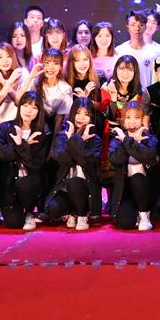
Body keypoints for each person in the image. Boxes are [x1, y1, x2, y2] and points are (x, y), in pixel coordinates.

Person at [0, 91, 52, 230]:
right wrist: (23, 145)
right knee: (13, 223)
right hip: (9, 185)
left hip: (31, 184)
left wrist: (20, 146)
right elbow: (1, 154)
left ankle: (30, 212)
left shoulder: (41, 133)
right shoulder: (4, 128)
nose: (28, 110)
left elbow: (36, 164)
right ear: (19, 107)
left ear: (39, 111)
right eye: (25, 105)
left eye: (34, 107)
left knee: (26, 182)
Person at [47, 94, 103, 231]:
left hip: (85, 188)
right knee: (52, 209)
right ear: (72, 113)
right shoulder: (61, 136)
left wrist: (76, 140)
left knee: (75, 182)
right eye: (78, 113)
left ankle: (82, 215)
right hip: (64, 188)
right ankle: (73, 211)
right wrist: (77, 141)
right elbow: (62, 158)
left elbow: (85, 162)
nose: (81, 117)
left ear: (92, 117)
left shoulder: (95, 139)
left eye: (86, 114)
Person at [108, 101, 159, 231]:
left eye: (136, 117)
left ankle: (144, 214)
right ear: (123, 121)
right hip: (125, 191)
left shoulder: (149, 138)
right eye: (128, 117)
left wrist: (130, 142)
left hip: (145, 189)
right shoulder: (117, 139)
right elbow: (115, 160)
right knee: (125, 223)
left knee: (137, 178)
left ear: (142, 120)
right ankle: (135, 214)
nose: (132, 121)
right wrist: (126, 141)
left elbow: (149, 158)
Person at [0, 42, 29, 134]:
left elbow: (19, 102)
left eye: (8, 56)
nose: (5, 61)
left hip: (16, 126)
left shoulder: (23, 74)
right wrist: (8, 81)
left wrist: (3, 81)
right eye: (0, 57)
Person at [116, 10, 160, 88]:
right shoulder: (119, 51)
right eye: (133, 25)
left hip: (147, 94)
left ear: (145, 27)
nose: (137, 28)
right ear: (127, 27)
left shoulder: (155, 52)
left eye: (141, 25)